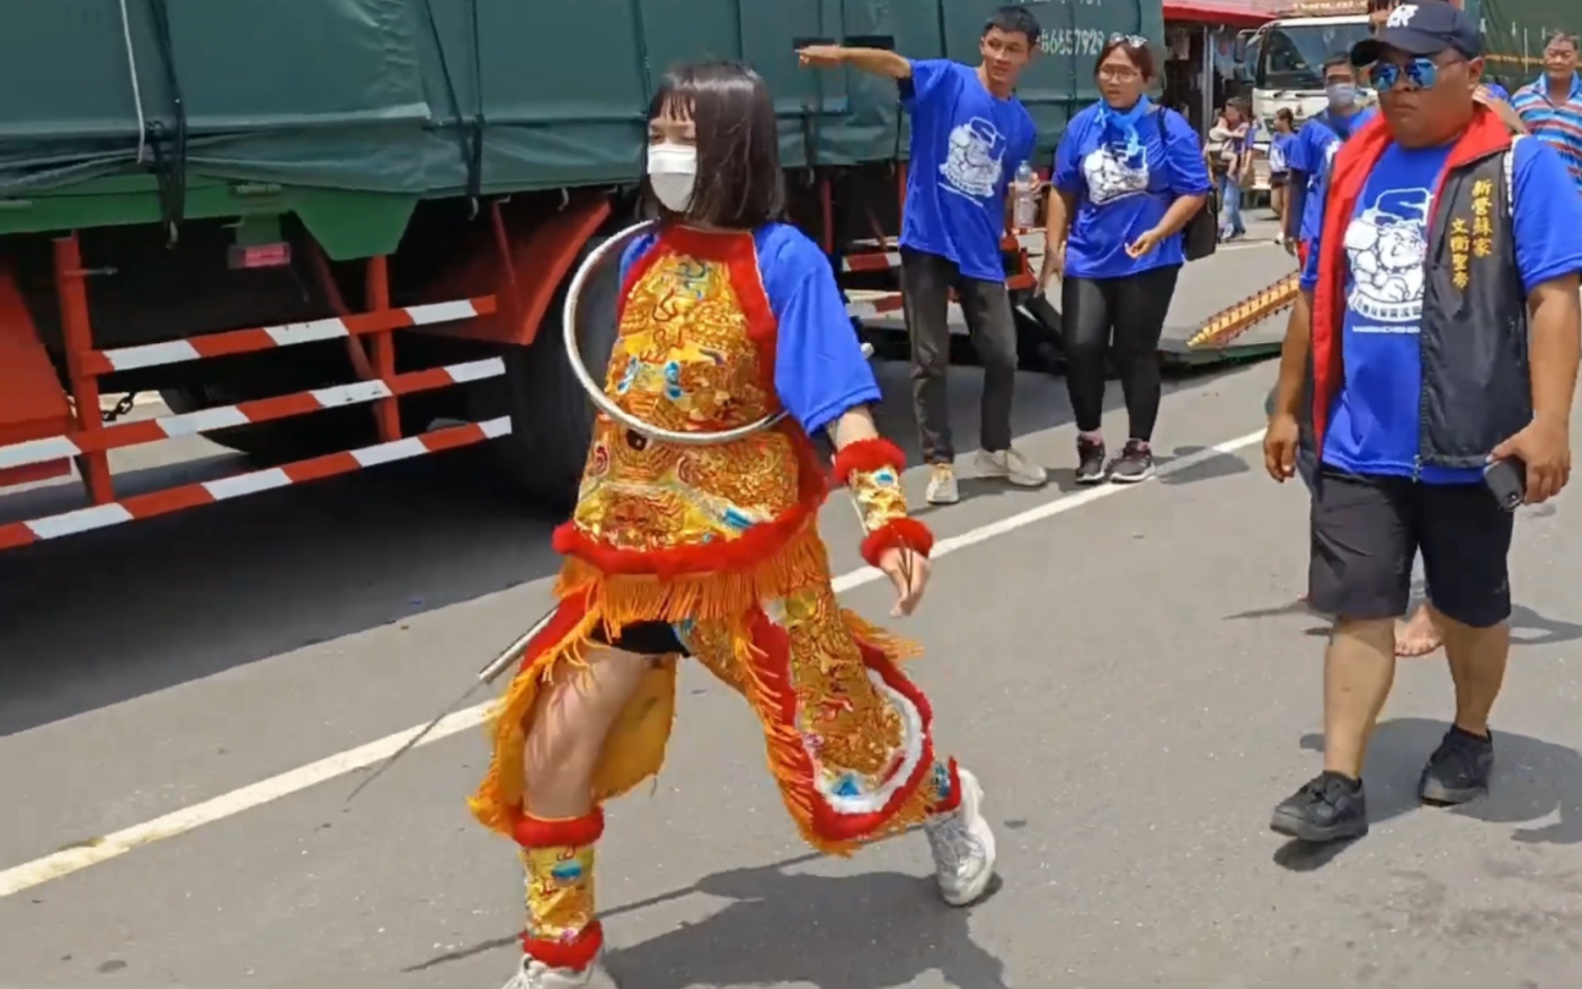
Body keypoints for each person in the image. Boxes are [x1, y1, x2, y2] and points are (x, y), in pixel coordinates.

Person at [474, 61, 998, 989]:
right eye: (658, 130)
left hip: (748, 562)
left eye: (687, 133)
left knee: (847, 743)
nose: (665, 151)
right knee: (555, 737)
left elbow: (840, 399)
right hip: (627, 556)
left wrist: (887, 520)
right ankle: (561, 951)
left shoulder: (783, 261)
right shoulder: (637, 255)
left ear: (734, 147)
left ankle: (946, 799)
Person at [1262, 1, 1582, 844]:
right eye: (1380, 72)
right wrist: (1286, 404)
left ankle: (1470, 733)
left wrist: (1551, 421)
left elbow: (1555, 299)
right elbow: (1312, 293)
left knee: (1471, 606)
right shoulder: (1352, 164)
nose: (1391, 90)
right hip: (1359, 442)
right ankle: (1339, 778)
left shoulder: (1521, 167)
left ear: (1472, 74)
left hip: (1472, 442)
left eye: (1414, 70)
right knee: (1358, 604)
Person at [798, 7, 1049, 505]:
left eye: (1013, 49)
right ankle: (940, 463)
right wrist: (843, 55)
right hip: (927, 244)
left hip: (979, 252)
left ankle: (995, 450)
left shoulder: (1019, 125)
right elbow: (896, 65)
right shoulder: (947, 82)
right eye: (994, 44)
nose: (1001, 56)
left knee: (1003, 354)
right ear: (983, 43)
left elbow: (1000, 189)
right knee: (929, 360)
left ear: (1030, 56)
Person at [1041, 36, 1211, 483]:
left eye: (1125, 72)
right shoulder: (1082, 126)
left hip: (1147, 260)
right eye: (1107, 71)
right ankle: (1090, 441)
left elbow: (1194, 190)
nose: (1114, 80)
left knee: (1134, 351)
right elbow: (1063, 187)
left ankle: (1138, 445)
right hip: (1088, 258)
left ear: (1146, 79)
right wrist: (1053, 247)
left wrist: (1158, 232)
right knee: (1080, 348)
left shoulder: (1167, 126)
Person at [1283, 53, 1376, 263]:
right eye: (1332, 80)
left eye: (1344, 79)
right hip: (1316, 230)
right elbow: (1297, 181)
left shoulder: (1374, 124)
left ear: (1356, 80)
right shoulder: (1311, 128)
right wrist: (1292, 228)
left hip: (1361, 227)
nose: (1338, 85)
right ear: (1324, 84)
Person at [1511, 32, 1582, 188]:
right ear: (1544, 55)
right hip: (1530, 194)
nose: (1558, 60)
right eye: (1552, 54)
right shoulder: (1522, 98)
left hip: (1575, 198)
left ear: (1576, 57)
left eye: (1565, 55)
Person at [1209, 99, 1251, 241]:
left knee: (1229, 201)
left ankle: (1229, 229)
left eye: (1232, 111)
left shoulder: (1244, 127)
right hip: (1219, 165)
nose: (1229, 114)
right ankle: (1238, 228)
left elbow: (1247, 149)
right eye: (1227, 111)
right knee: (1226, 201)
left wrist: (1245, 167)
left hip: (1234, 166)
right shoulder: (1221, 126)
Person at [1269, 108, 1298, 247]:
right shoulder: (1276, 137)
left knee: (1286, 204)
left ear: (1286, 121)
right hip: (1275, 172)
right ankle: (1289, 224)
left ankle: (1283, 231)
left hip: (1286, 172)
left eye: (1277, 119)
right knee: (1275, 204)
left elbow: (1293, 158)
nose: (1274, 122)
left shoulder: (1292, 139)